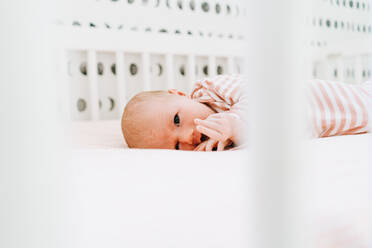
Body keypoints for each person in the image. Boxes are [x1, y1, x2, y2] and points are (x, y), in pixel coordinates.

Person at [121, 74, 372, 151]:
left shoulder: (213, 90)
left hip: (341, 100)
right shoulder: (213, 145)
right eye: (176, 146)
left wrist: (235, 122)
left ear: (180, 94)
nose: (188, 136)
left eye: (177, 120)